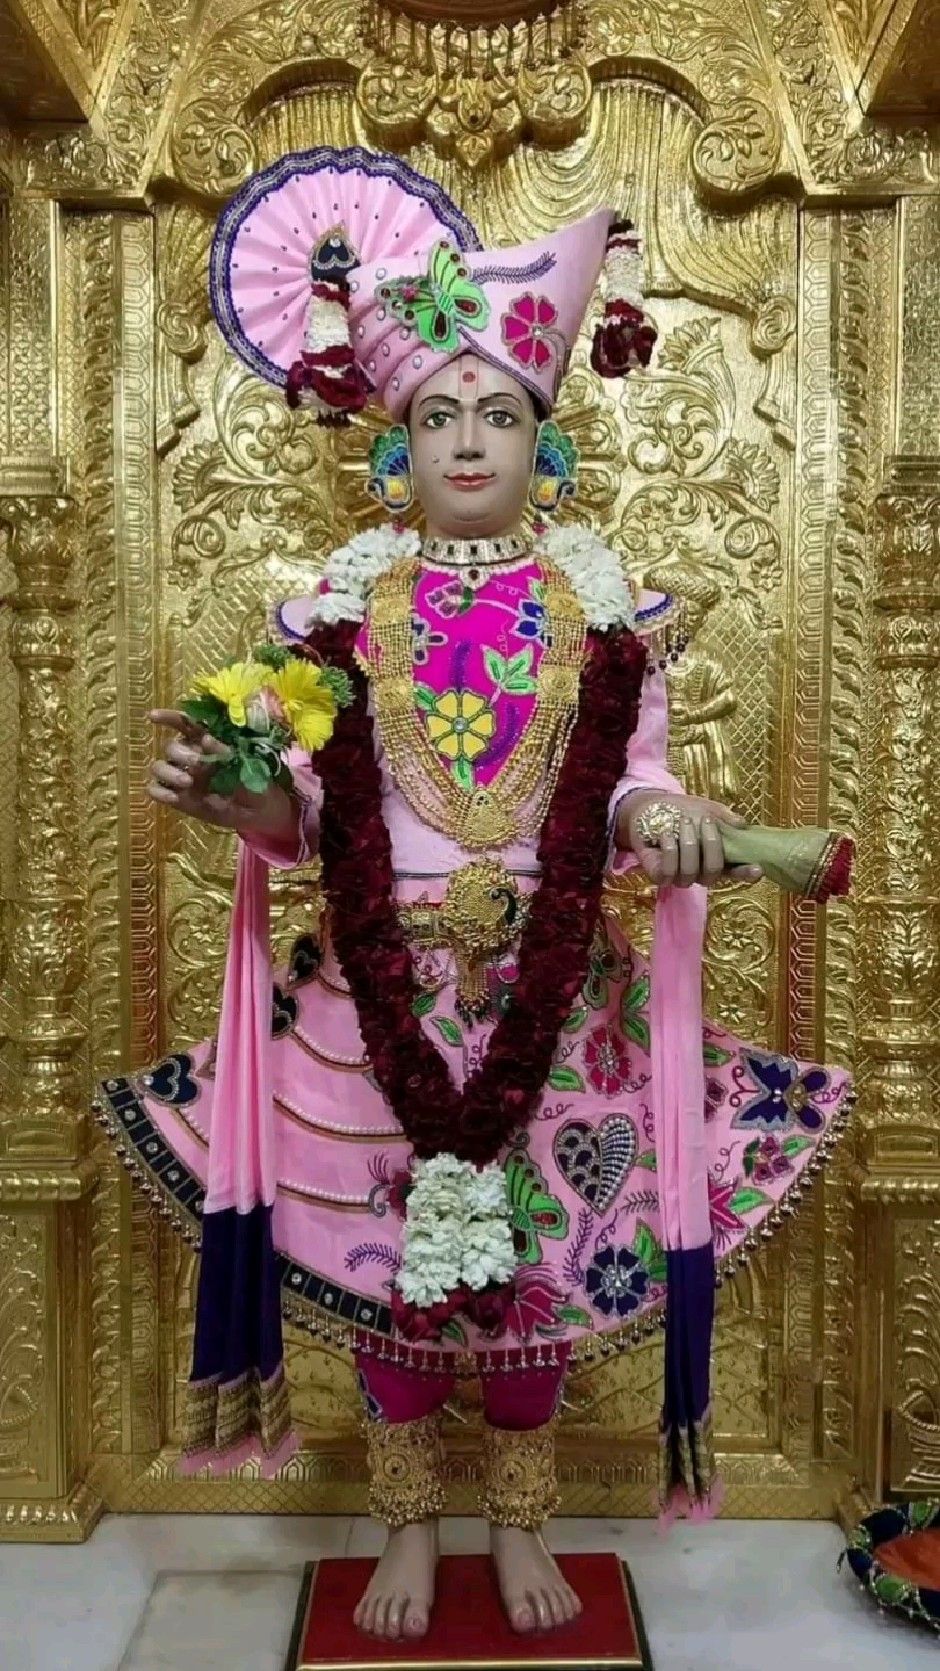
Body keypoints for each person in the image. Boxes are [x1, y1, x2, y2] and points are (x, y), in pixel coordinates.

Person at [95, 146, 853, 1643]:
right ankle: (405, 1529)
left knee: (532, 1288)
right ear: (394, 447)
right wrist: (247, 797)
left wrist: (675, 817)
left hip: (561, 1006)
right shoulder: (331, 609)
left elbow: (626, 783)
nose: (463, 437)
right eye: (435, 414)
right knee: (387, 1279)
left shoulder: (601, 606)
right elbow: (307, 813)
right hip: (373, 1011)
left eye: (495, 412)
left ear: (542, 442)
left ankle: (519, 1536)